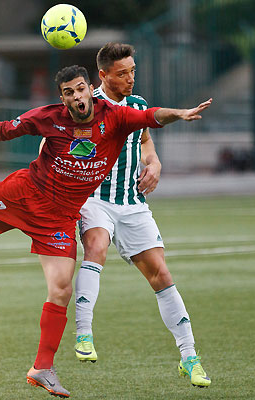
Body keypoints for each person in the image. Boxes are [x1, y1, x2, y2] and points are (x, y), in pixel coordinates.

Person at [0, 65, 211, 398]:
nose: (76, 96)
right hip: (25, 195)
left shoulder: (114, 116)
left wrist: (182, 113)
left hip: (59, 219)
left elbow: (153, 117)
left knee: (61, 289)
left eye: (80, 89)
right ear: (63, 98)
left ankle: (42, 368)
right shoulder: (49, 117)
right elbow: (1, 129)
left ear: (90, 89)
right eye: (68, 92)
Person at [72, 43, 211, 388]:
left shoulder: (137, 104)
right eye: (123, 73)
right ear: (102, 76)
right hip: (95, 200)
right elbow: (61, 146)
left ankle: (189, 357)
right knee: (97, 247)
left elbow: (145, 138)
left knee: (161, 275)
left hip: (132, 202)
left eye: (133, 71)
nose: (131, 78)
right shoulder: (86, 108)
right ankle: (84, 334)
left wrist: (154, 161)